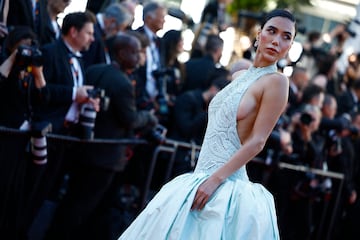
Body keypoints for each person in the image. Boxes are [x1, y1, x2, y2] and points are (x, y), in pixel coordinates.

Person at [118, 8, 296, 239]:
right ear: (259, 34)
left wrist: (215, 180)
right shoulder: (239, 77)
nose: (276, 41)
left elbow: (258, 142)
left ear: (290, 46)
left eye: (286, 36)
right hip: (198, 177)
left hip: (224, 186)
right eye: (272, 31)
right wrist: (207, 179)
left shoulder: (277, 83)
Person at [43, 33, 157, 240]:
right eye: (136, 52)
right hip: (104, 158)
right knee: (81, 210)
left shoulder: (94, 70)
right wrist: (149, 117)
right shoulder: (122, 83)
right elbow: (130, 119)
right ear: (122, 54)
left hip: (81, 149)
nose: (140, 56)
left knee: (71, 203)